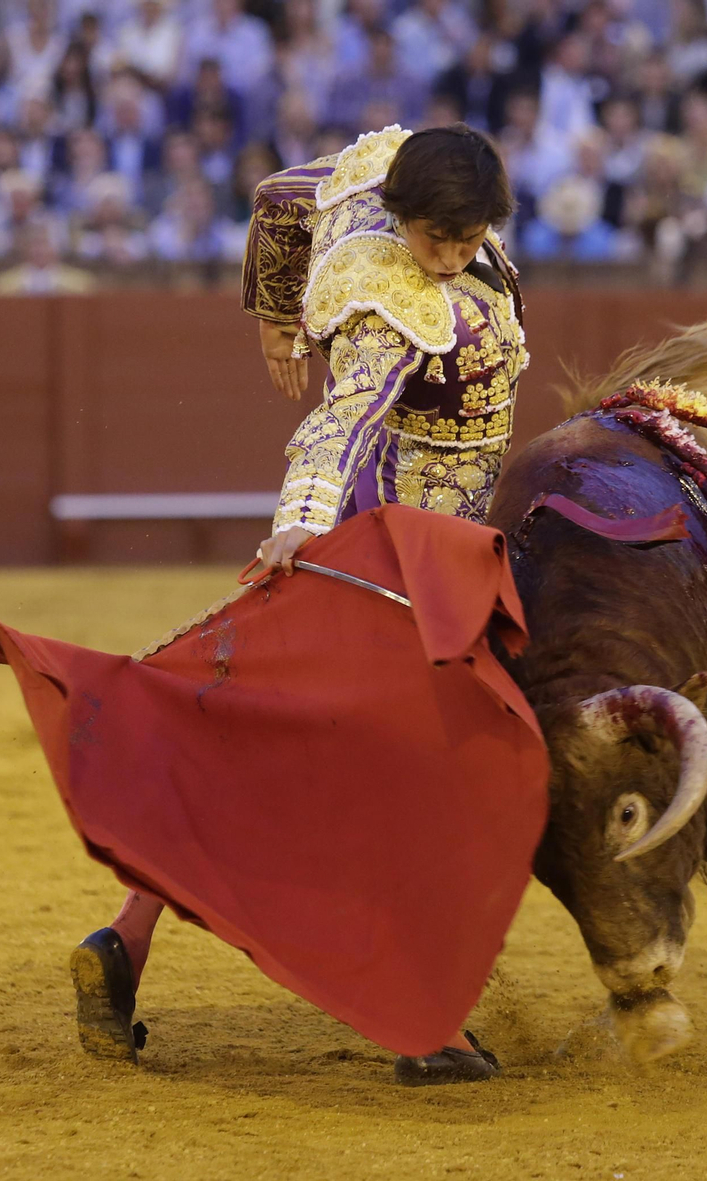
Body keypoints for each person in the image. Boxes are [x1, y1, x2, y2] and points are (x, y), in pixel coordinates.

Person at [71, 123, 525, 1087]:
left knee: (258, 745)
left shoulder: (372, 184)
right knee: (412, 775)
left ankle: (126, 939)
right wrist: (302, 522)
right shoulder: (387, 300)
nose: (448, 259)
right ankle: (422, 1022)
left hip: (422, 536)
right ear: (403, 217)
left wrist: (273, 317)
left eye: (468, 238)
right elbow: (345, 417)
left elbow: (282, 194)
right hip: (408, 546)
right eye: (437, 240)